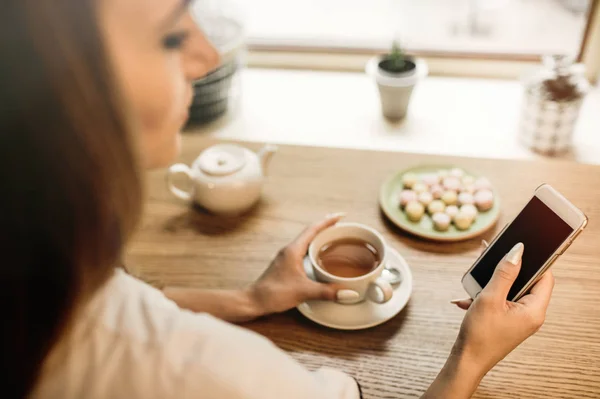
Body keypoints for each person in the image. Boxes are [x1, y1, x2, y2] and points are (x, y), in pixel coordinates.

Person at [0, 0, 555, 398]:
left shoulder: (43, 272)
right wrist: (470, 358)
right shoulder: (202, 371)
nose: (210, 56)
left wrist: (249, 300)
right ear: (55, 88)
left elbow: (112, 297)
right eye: (171, 36)